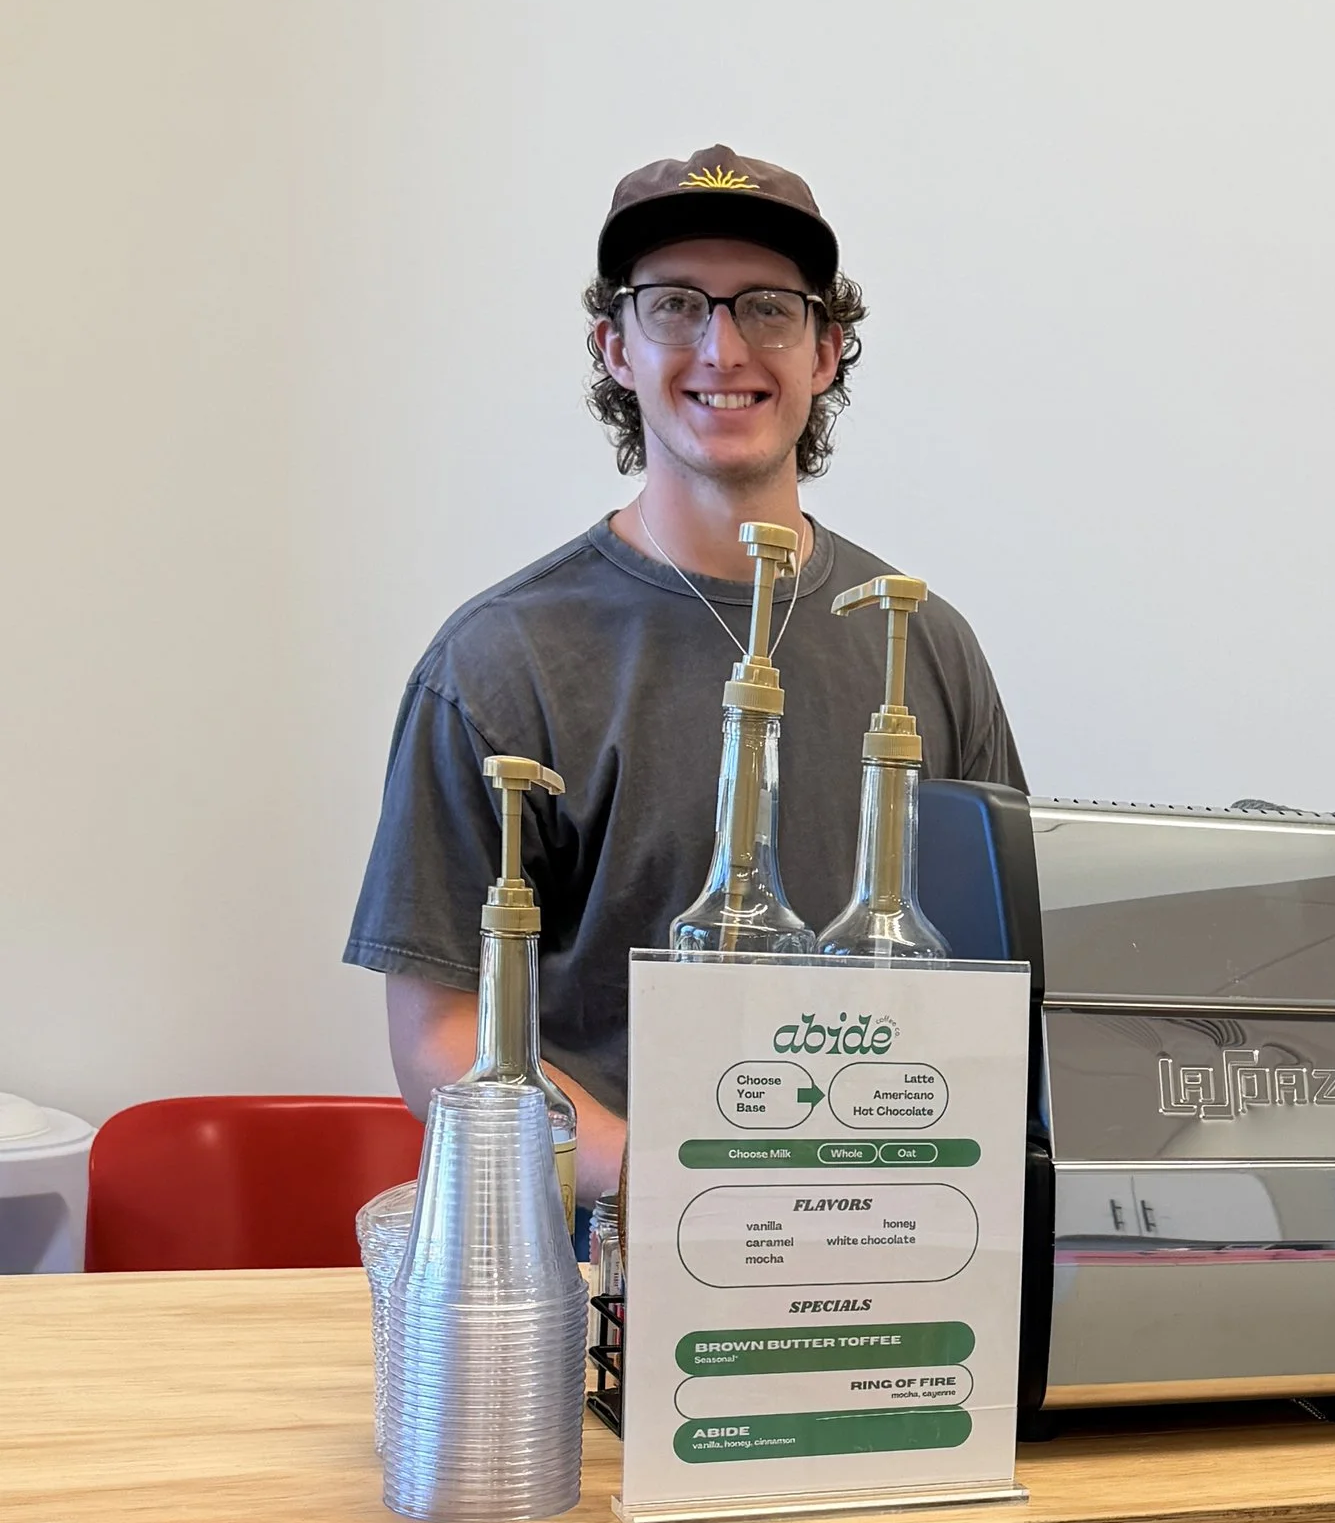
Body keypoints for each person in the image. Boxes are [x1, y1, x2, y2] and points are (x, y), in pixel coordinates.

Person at [344, 148, 1025, 1203]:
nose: (723, 346)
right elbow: (438, 1038)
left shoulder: (925, 644)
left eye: (767, 308)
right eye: (674, 307)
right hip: (611, 1270)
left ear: (827, 349)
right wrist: (677, 1182)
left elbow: (1000, 977)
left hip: (892, 1245)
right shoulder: (499, 662)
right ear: (613, 347)